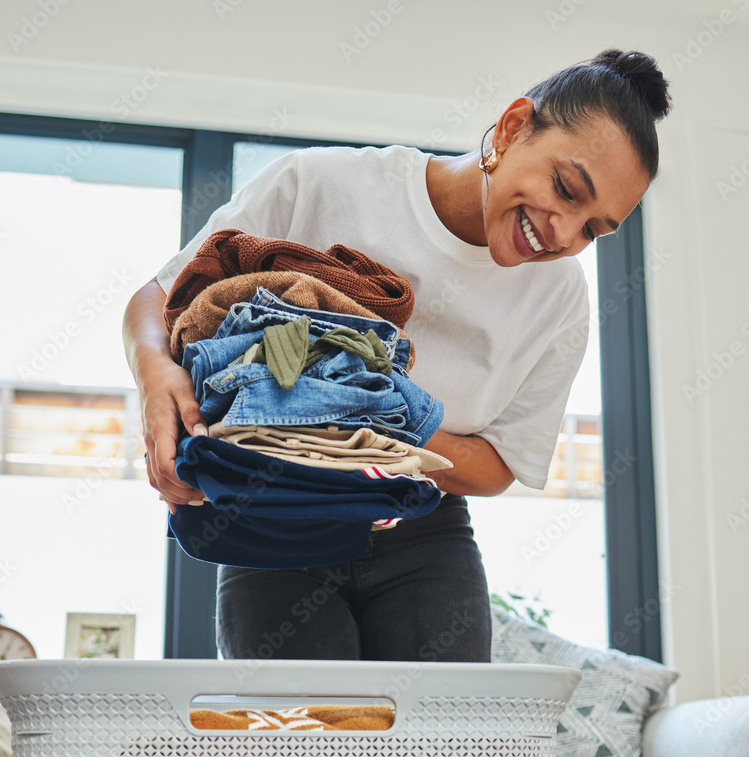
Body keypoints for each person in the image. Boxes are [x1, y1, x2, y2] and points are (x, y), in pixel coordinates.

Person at [123, 49, 671, 664]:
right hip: (276, 514)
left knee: (439, 752)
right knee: (298, 753)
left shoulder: (560, 300)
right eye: (566, 189)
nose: (565, 235)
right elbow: (161, 295)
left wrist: (382, 419)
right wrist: (155, 375)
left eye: (594, 229)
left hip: (426, 538)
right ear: (514, 127)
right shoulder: (318, 184)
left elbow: (498, 467)